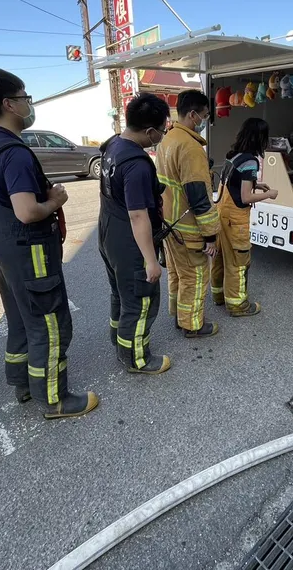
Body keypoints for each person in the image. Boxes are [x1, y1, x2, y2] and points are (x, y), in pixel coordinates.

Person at [0, 68, 97, 420]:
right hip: (31, 251)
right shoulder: (14, 153)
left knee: (22, 318)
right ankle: (54, 398)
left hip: (7, 246)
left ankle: (23, 383)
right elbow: (27, 211)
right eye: (26, 97)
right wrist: (56, 201)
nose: (30, 104)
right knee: (51, 324)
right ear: (9, 104)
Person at [99, 93, 171, 374]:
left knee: (120, 294)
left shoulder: (113, 146)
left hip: (109, 234)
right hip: (131, 242)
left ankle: (120, 343)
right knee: (140, 300)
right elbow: (138, 215)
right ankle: (136, 359)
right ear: (150, 130)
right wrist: (151, 261)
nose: (162, 135)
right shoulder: (137, 164)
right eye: (162, 130)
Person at [157, 89, 220, 338]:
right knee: (194, 276)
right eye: (204, 115)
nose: (205, 121)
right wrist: (211, 235)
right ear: (193, 115)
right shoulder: (191, 147)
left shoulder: (168, 139)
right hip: (189, 228)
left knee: (177, 273)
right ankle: (192, 325)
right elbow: (199, 197)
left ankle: (179, 315)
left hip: (170, 223)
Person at [211, 118, 278, 316]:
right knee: (239, 262)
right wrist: (268, 194)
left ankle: (219, 296)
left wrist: (258, 184)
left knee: (221, 258)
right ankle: (238, 305)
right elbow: (245, 196)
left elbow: (234, 183)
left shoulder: (234, 156)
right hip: (236, 219)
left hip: (222, 214)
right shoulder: (250, 161)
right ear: (259, 138)